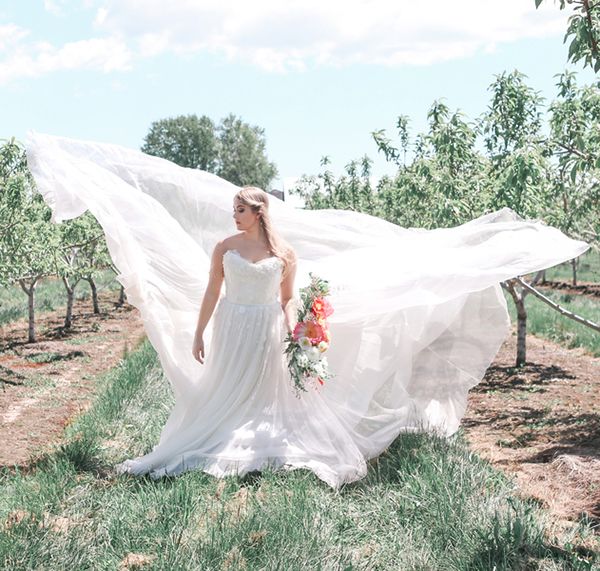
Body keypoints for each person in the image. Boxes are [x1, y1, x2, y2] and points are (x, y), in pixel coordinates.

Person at [24, 132, 591, 489]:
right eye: (232, 211)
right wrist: (198, 332)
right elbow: (211, 293)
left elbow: (288, 297)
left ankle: (262, 440)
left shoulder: (284, 253)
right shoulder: (224, 250)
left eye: (239, 211)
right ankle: (213, 439)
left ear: (257, 213)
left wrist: (302, 335)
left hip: (268, 327)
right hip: (231, 324)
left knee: (266, 392)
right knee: (227, 389)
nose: (232, 217)